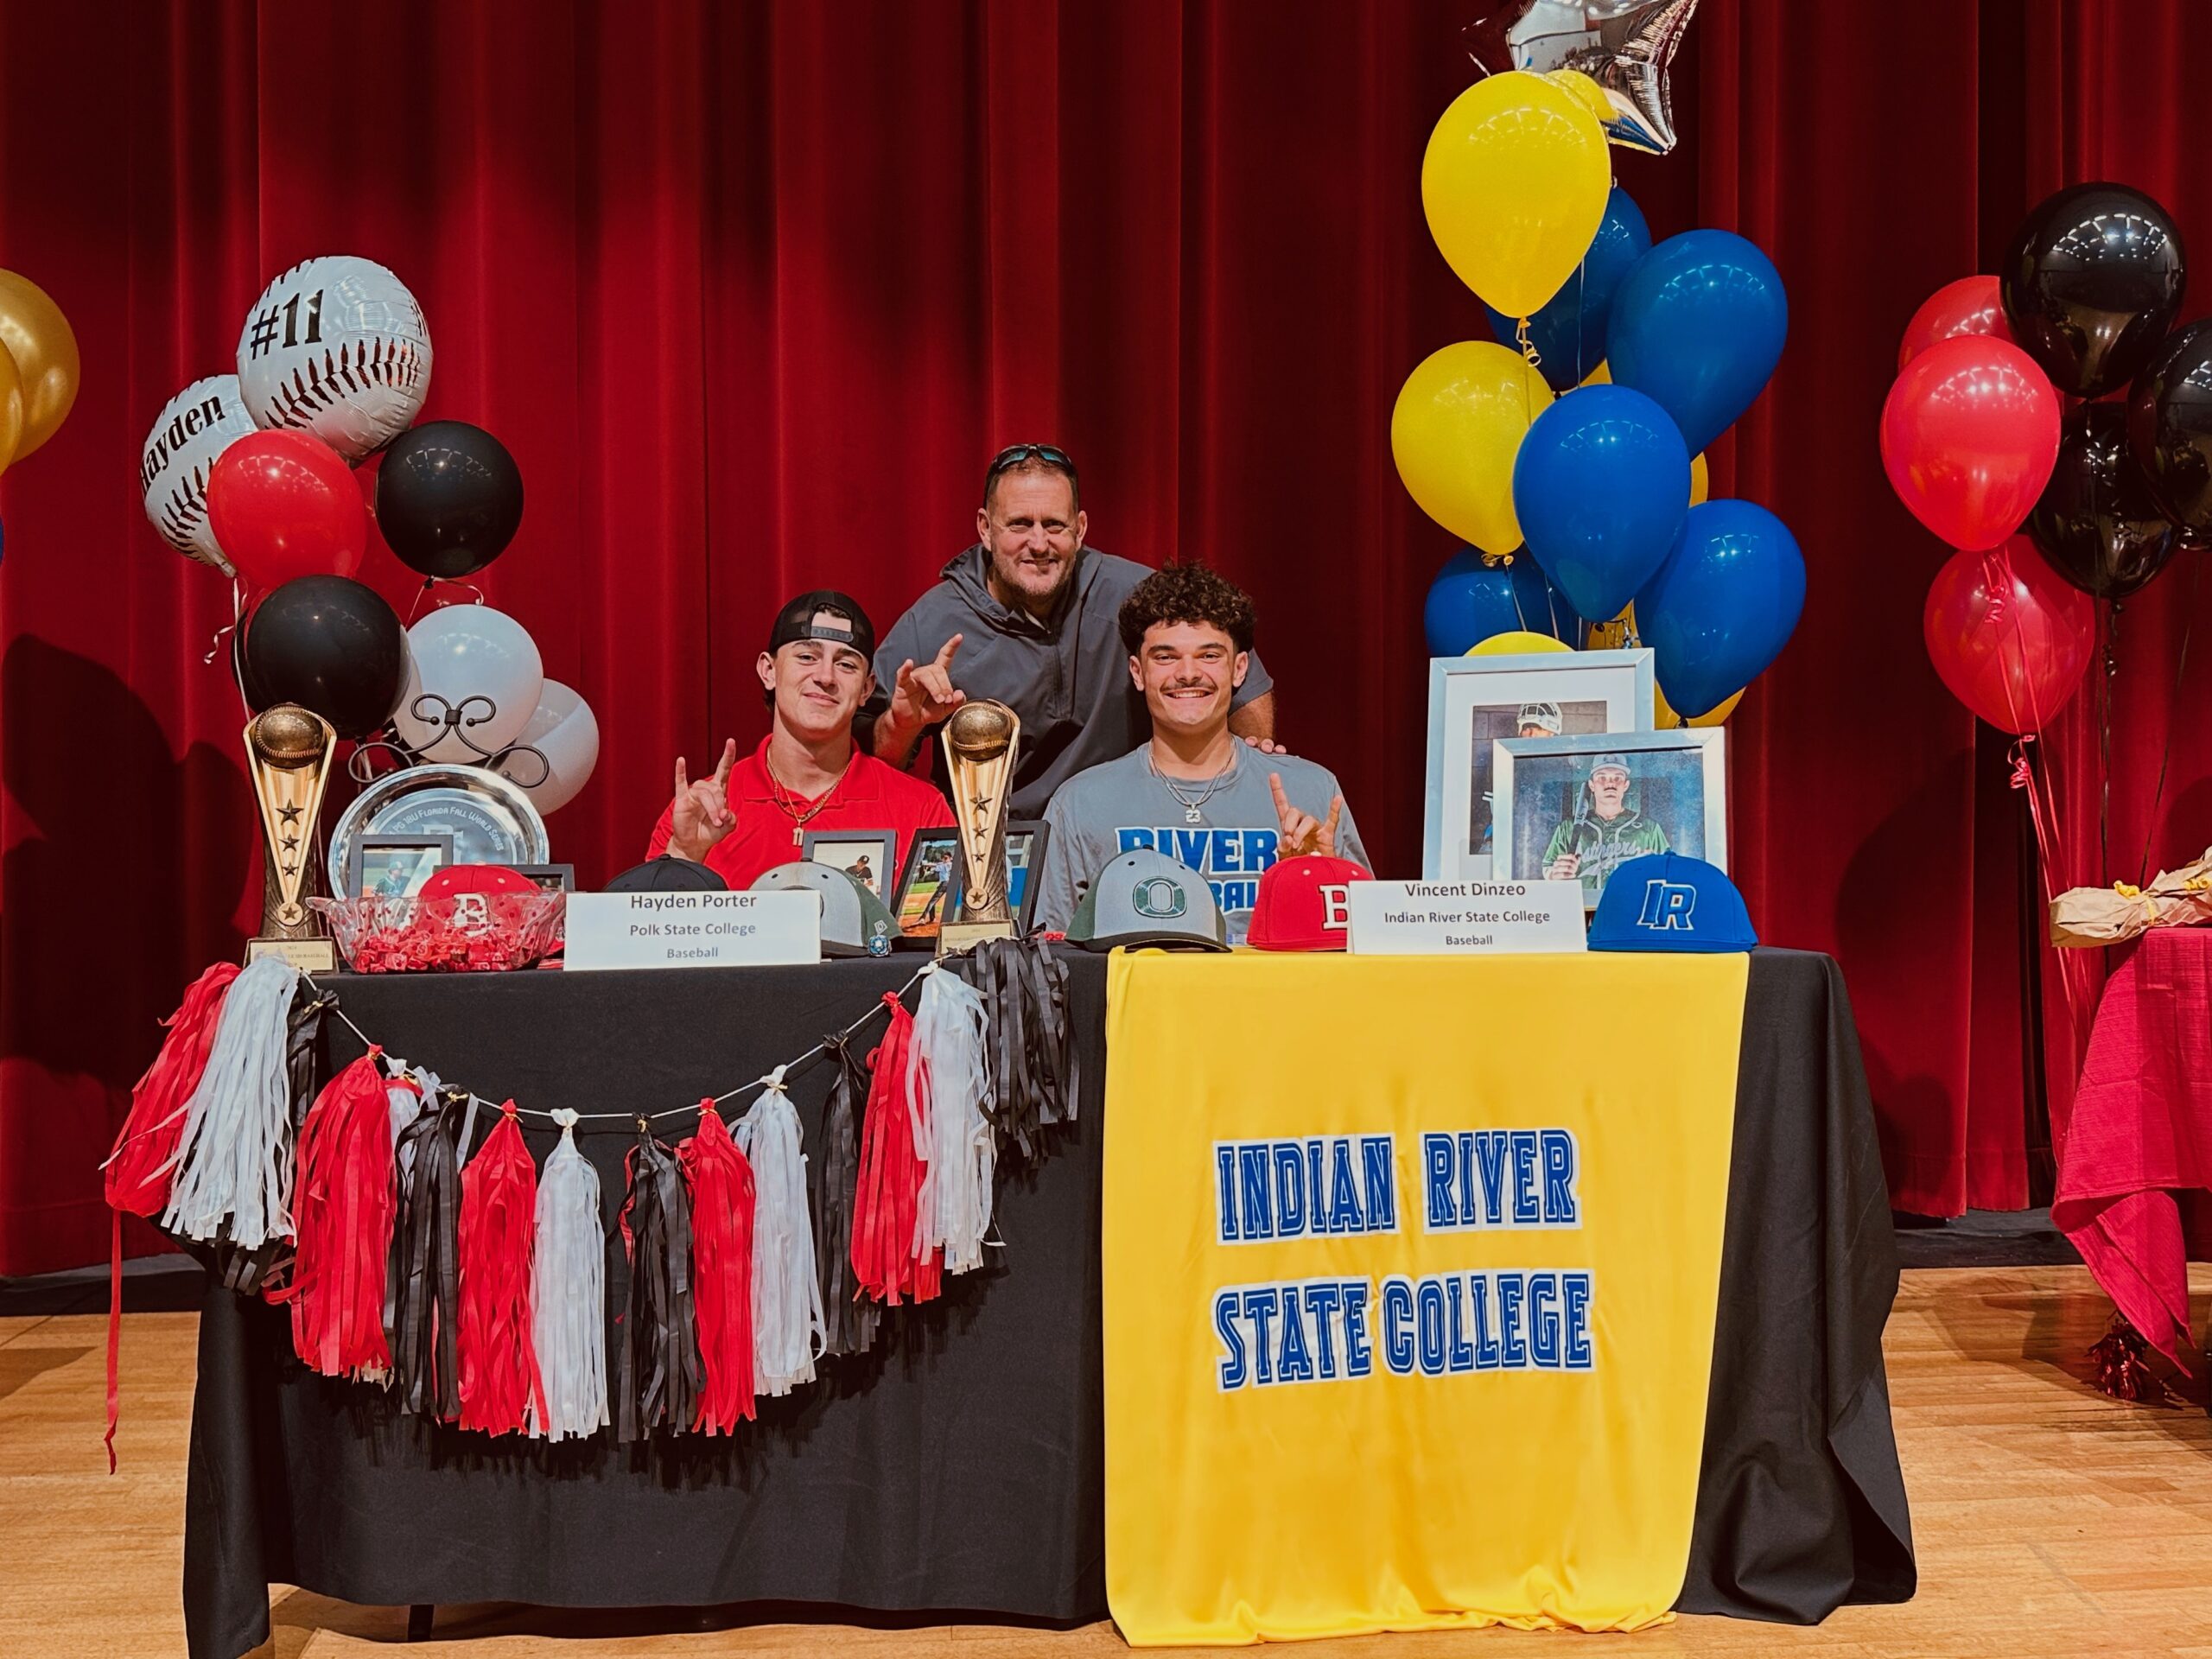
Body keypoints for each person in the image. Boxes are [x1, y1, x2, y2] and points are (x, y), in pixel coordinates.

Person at [870, 444, 1280, 818]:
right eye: (1018, 524)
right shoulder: (931, 623)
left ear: (1080, 529)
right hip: (996, 848)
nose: (1038, 542)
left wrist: (1244, 776)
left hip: (1125, 831)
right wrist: (902, 726)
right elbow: (869, 759)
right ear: (985, 528)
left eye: (1054, 525)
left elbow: (1240, 678)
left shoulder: (1134, 595)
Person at [1032, 564, 1367, 944]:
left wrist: (1320, 876)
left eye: (1209, 656)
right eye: (1165, 657)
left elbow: (1369, 948)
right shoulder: (1080, 804)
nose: (1188, 673)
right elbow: (1052, 959)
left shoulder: (1312, 790)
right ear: (1138, 673)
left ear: (1239, 669)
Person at [647, 591, 954, 891]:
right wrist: (685, 854)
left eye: (846, 664)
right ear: (769, 671)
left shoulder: (923, 810)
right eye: (807, 657)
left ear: (866, 689)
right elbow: (653, 936)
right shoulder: (700, 811)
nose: (825, 676)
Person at [1541, 752, 1669, 899]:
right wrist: (1555, 874)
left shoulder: (1649, 828)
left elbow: (1668, 871)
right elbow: (1548, 868)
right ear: (1592, 785)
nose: (1610, 784)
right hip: (1583, 907)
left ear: (1626, 785)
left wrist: (1654, 868)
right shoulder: (1569, 827)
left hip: (1632, 906)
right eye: (1602, 777)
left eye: (1617, 778)